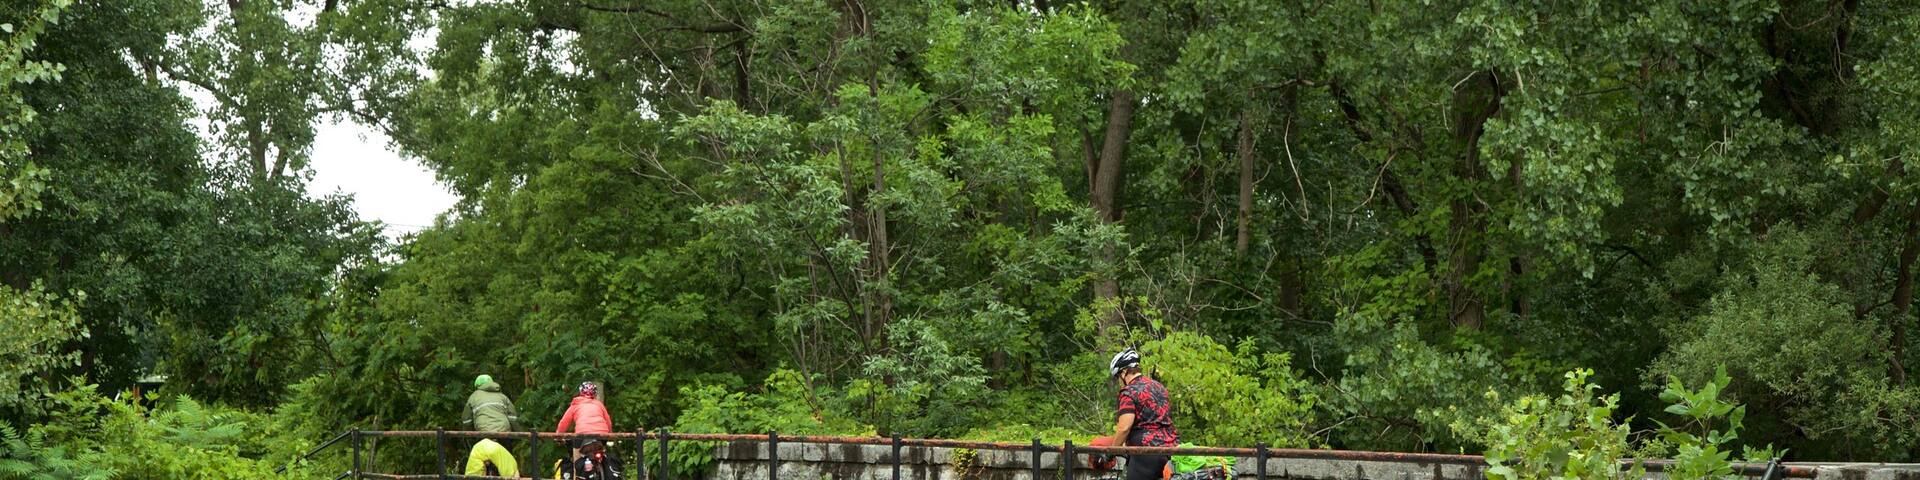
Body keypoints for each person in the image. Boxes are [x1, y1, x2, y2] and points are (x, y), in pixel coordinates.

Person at [1108, 348, 1178, 480]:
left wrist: (1111, 451)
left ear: (1124, 372)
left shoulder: (1128, 392)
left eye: (1118, 377)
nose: (1118, 381)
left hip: (1146, 453)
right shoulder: (1159, 387)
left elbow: (1124, 427)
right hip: (1171, 449)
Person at [555, 381, 614, 457]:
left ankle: (576, 468)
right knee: (602, 451)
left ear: (580, 392)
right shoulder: (599, 404)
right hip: (602, 434)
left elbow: (564, 423)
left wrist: (558, 436)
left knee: (577, 456)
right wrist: (610, 434)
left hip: (582, 434)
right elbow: (608, 420)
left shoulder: (576, 404)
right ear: (595, 393)